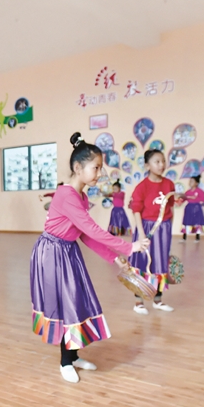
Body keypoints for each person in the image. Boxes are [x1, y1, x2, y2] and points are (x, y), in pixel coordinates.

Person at [30, 132, 147, 384]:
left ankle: (72, 356)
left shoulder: (81, 197)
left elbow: (85, 235)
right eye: (96, 167)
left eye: (100, 168)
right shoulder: (66, 195)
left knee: (76, 302)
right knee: (65, 306)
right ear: (77, 168)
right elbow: (92, 229)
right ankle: (65, 362)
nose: (99, 173)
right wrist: (129, 247)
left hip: (67, 251)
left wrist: (114, 257)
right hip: (52, 254)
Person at [129, 149, 176, 314]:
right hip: (146, 228)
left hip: (163, 229)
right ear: (147, 165)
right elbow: (136, 211)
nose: (161, 165)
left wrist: (169, 227)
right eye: (157, 161)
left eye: (163, 161)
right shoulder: (141, 187)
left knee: (161, 263)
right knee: (142, 263)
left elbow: (170, 206)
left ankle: (158, 300)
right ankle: (138, 302)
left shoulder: (169, 184)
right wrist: (141, 234)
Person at [181, 175, 204, 242]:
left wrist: (194, 198)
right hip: (189, 208)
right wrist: (179, 198)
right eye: (190, 181)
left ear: (196, 183)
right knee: (186, 221)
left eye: (192, 181)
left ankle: (197, 238)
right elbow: (183, 199)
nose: (190, 182)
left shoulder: (200, 191)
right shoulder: (187, 192)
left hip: (197, 208)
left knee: (197, 222)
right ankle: (184, 238)